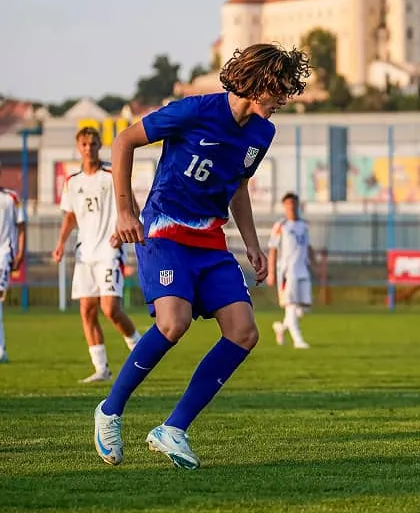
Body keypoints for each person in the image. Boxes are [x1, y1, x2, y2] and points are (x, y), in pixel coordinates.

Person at [93, 43, 310, 470]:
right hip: (165, 230)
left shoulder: (263, 133)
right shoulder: (195, 111)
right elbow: (123, 141)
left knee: (244, 332)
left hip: (210, 239)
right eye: (281, 89)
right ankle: (110, 410)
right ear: (260, 82)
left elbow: (238, 186)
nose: (285, 98)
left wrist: (252, 243)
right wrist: (124, 209)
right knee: (173, 323)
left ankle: (172, 429)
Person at [53, 127, 141, 383]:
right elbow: (70, 216)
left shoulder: (111, 174)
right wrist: (60, 243)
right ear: (78, 147)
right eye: (84, 144)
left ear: (99, 145)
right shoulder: (72, 182)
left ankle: (139, 349)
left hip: (109, 250)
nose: (89, 148)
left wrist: (123, 231)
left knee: (110, 308)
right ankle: (101, 368)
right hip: (85, 253)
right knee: (87, 311)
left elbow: (132, 206)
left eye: (93, 143)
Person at [269, 192, 315, 349]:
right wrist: (271, 272)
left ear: (298, 205)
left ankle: (281, 328)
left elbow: (307, 246)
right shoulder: (281, 226)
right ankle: (298, 340)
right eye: (288, 204)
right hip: (287, 272)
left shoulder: (304, 226)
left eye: (293, 204)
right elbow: (273, 249)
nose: (291, 207)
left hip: (303, 270)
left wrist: (314, 263)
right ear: (284, 206)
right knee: (291, 306)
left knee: (302, 309)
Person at [0, 166, 25, 363]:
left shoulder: (11, 198)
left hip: (3, 255)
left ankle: (1, 350)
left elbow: (21, 226)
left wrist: (20, 252)